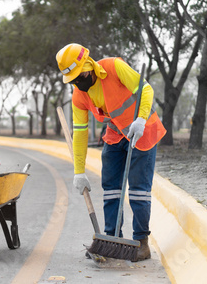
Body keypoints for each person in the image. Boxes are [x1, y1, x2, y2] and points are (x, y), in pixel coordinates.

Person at [55, 43, 166, 261]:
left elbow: (146, 89)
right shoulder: (79, 96)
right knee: (111, 189)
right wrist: (79, 171)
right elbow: (80, 134)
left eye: (80, 76)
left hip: (141, 129)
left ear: (89, 65)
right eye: (73, 80)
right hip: (116, 134)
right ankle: (112, 240)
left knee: (138, 191)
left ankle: (141, 243)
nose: (78, 82)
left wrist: (141, 119)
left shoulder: (114, 67)